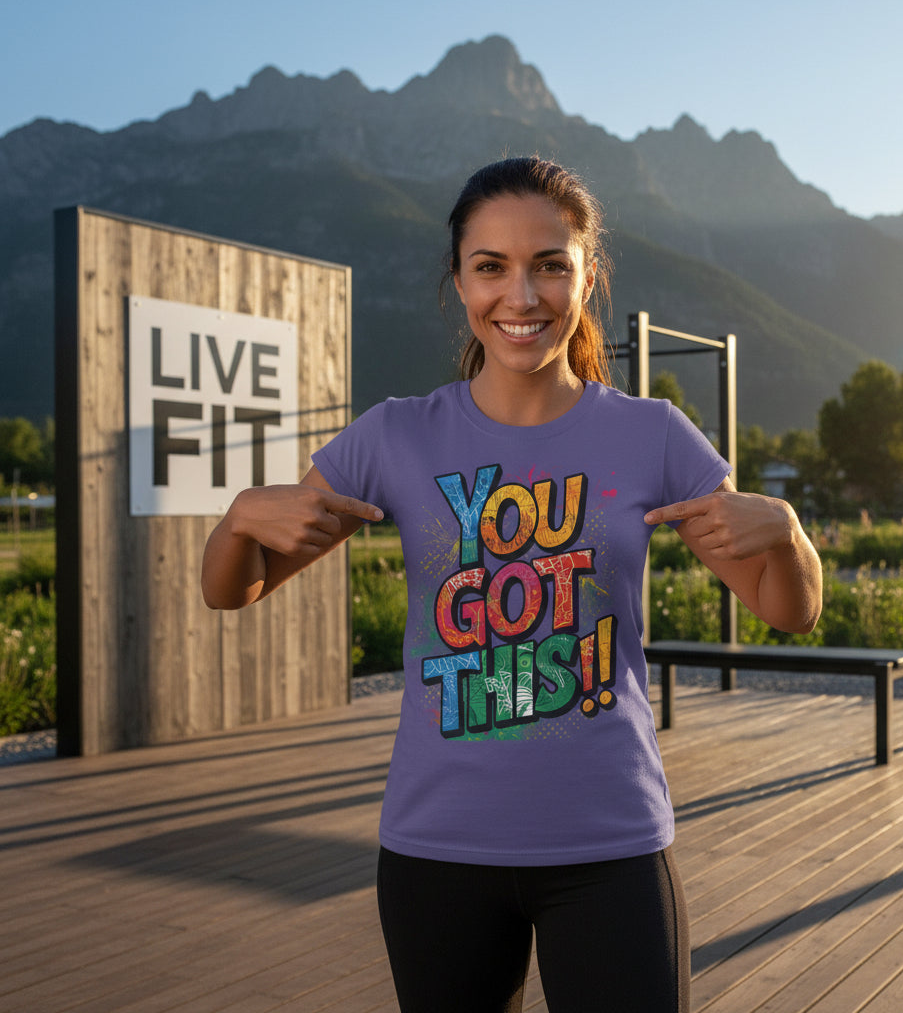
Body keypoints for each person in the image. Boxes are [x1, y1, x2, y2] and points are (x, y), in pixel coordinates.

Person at [202, 156, 822, 1013]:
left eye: (550, 266)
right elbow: (232, 590)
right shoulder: (395, 437)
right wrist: (238, 518)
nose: (521, 297)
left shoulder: (652, 435)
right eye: (491, 266)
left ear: (586, 277)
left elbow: (789, 610)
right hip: (437, 852)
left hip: (611, 847)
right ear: (459, 281)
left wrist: (788, 535)